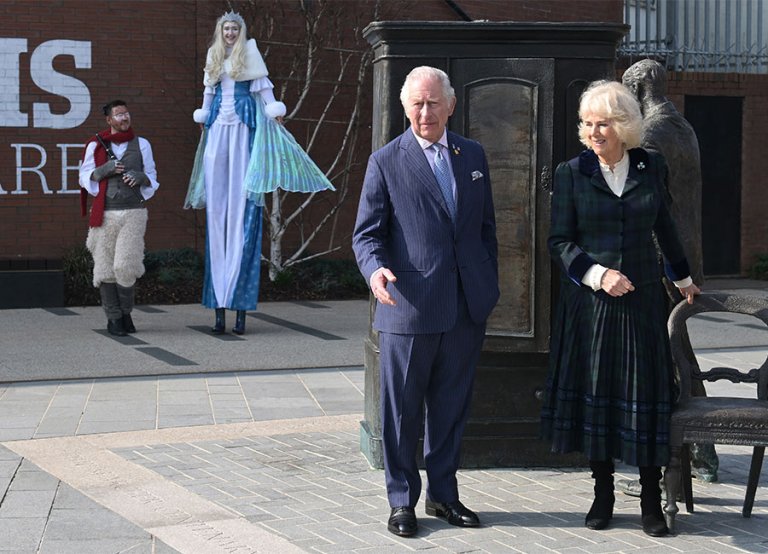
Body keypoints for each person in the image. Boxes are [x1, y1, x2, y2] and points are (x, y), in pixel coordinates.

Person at [540, 80, 700, 538]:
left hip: (645, 299)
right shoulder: (572, 173)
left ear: (625, 126)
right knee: (598, 401)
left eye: (603, 123)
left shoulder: (652, 166)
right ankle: (603, 493)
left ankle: (651, 498)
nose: (594, 131)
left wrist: (684, 278)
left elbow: (666, 226)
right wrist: (598, 274)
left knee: (646, 399)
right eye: (588, 124)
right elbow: (560, 242)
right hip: (591, 305)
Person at [352, 66, 499, 538]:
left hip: (463, 308)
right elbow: (366, 235)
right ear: (404, 107)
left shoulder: (472, 154)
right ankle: (401, 501)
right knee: (402, 413)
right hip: (408, 307)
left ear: (451, 105)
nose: (425, 111)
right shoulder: (386, 161)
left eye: (433, 102)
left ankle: (444, 494)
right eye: (416, 103)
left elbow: (484, 230)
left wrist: (485, 281)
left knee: (451, 408)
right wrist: (375, 271)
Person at [185, 11, 332, 335]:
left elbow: (266, 94)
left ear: (240, 32)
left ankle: (236, 312)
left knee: (243, 209)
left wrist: (274, 112)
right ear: (219, 31)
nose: (230, 33)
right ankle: (220, 310)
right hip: (217, 132)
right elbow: (208, 94)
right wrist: (204, 116)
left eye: (235, 29)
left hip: (242, 130)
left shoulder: (249, 55)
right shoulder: (213, 57)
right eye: (226, 28)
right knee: (218, 215)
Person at [619, 59, 718, 495]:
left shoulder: (652, 134)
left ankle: (684, 458)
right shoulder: (684, 126)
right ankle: (698, 452)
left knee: (669, 358)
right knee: (679, 353)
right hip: (689, 253)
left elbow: (644, 203)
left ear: (640, 88)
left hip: (665, 260)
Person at [79, 100, 159, 337]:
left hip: (134, 212)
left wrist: (141, 177)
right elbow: (84, 177)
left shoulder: (142, 144)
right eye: (119, 115)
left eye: (127, 113)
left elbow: (153, 177)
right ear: (109, 120)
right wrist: (106, 169)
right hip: (105, 213)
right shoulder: (95, 145)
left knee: (126, 265)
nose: (125, 118)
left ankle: (126, 312)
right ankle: (114, 318)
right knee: (104, 269)